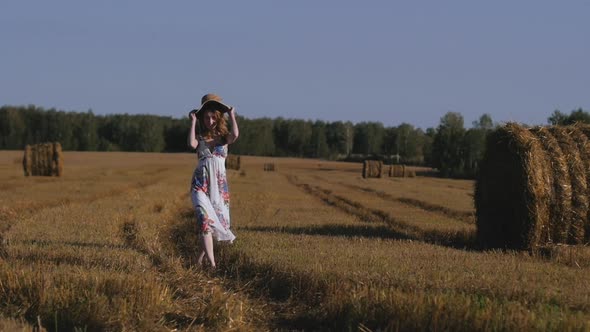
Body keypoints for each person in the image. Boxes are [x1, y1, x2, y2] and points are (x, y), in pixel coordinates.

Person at [188, 93, 239, 269]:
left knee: (210, 225)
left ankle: (199, 259)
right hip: (200, 185)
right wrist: (193, 122)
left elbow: (235, 134)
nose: (209, 121)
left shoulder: (224, 138)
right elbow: (191, 143)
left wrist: (232, 115)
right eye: (206, 117)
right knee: (204, 221)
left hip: (218, 188)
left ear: (217, 118)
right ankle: (213, 264)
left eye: (212, 117)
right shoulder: (200, 138)